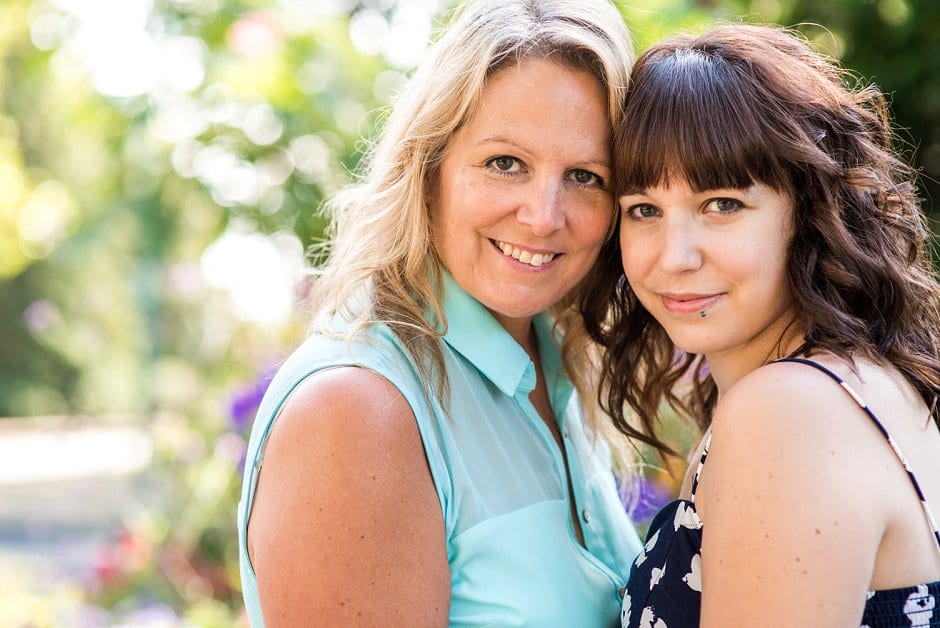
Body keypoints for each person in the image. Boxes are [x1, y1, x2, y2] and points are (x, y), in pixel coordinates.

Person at [236, 1, 643, 625]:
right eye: (505, 163)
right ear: (430, 169)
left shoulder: (551, 363)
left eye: (586, 176)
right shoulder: (357, 411)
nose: (543, 215)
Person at [578, 23, 940, 627]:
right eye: (644, 210)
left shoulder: (789, 413)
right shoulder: (854, 384)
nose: (674, 256)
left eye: (722, 205)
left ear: (809, 210)